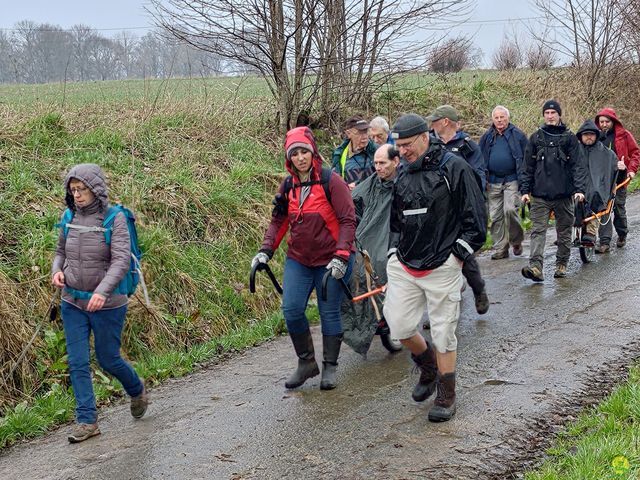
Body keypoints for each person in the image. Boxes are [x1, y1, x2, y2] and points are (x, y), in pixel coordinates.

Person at [383, 113, 487, 422]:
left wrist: (456, 256)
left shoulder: (455, 168)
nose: (402, 152)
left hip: (442, 264)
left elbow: (476, 221)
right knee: (399, 326)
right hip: (405, 265)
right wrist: (392, 254)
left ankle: (446, 392)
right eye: (397, 146)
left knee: (443, 333)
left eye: (406, 145)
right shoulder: (402, 175)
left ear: (425, 137)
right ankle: (427, 366)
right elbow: (396, 222)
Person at [253, 126, 356, 390]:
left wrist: (342, 256)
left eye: (304, 152)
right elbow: (278, 221)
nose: (300, 157)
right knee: (291, 309)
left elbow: (347, 220)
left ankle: (330, 367)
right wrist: (265, 250)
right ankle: (306, 363)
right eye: (295, 153)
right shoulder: (288, 186)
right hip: (299, 258)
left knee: (328, 310)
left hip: (332, 258)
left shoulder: (331, 181)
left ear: (313, 153)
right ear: (289, 158)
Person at [51, 163, 148, 444]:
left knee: (108, 358)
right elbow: (59, 252)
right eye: (73, 190)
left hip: (108, 304)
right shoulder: (68, 216)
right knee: (78, 362)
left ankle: (137, 388)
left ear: (96, 190)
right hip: (72, 301)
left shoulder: (114, 218)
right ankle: (87, 421)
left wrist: (102, 292)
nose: (78, 195)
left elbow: (120, 260)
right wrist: (56, 271)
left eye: (82, 189)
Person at [427, 104, 489, 314]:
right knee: (434, 257)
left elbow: (478, 176)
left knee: (461, 255)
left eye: (434, 120)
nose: (431, 124)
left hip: (460, 210)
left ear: (445, 121)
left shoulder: (468, 146)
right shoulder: (430, 144)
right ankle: (440, 308)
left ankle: (478, 289)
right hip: (435, 210)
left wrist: (475, 206)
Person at [341, 144, 400, 354]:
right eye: (375, 163)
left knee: (381, 266)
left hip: (393, 237)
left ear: (396, 162)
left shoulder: (405, 184)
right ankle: (371, 318)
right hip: (367, 236)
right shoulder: (372, 183)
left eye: (382, 163)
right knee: (353, 269)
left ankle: (388, 316)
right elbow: (352, 202)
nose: (378, 167)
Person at [520, 100, 588, 281]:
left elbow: (578, 166)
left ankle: (561, 263)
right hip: (540, 195)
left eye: (553, 113)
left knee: (564, 231)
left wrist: (579, 190)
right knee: (537, 231)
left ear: (559, 115)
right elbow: (527, 167)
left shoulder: (570, 138)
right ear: (543, 115)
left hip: (564, 195)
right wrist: (525, 191)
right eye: (547, 113)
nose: (550, 116)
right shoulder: (535, 138)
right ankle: (535, 267)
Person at [479, 105, 528, 260]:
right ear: (493, 119)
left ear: (508, 118)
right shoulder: (487, 137)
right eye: (496, 118)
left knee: (510, 210)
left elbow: (526, 159)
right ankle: (501, 248)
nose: (499, 120)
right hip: (492, 182)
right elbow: (479, 159)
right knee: (495, 216)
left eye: (502, 117)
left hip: (512, 180)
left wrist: (526, 182)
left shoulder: (518, 135)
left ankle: (516, 241)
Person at [594, 108, 640, 252]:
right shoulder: (596, 137)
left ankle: (622, 233)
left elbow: (635, 153)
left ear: (613, 122)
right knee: (604, 209)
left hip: (620, 179)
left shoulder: (624, 136)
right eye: (601, 122)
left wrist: (631, 170)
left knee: (619, 208)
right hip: (602, 181)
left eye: (607, 121)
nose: (604, 124)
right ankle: (605, 242)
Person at [575, 119, 619, 245]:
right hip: (578, 185)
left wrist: (621, 168)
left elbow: (614, 172)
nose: (589, 137)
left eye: (591, 134)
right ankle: (565, 232)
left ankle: (591, 232)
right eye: (585, 134)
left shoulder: (607, 153)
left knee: (595, 195)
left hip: (598, 188)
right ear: (581, 136)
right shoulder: (574, 152)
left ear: (596, 135)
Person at [331, 115, 377, 190]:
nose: (365, 136)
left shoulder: (376, 151)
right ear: (348, 134)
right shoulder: (339, 155)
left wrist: (358, 185)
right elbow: (335, 182)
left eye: (365, 131)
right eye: (360, 132)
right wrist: (345, 187)